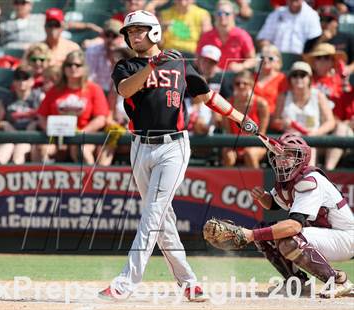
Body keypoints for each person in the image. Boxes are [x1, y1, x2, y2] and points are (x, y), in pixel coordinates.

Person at [98, 10, 259, 301]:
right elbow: (125, 90)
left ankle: (126, 282)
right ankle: (189, 283)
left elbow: (207, 97)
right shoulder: (126, 65)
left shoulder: (179, 62)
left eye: (140, 30)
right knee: (161, 218)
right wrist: (150, 67)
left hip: (173, 145)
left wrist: (239, 117)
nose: (134, 36)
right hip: (139, 145)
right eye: (130, 32)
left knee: (153, 212)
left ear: (155, 32)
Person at [247, 133, 353, 297]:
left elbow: (294, 225)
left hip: (346, 238)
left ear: (301, 157)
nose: (282, 159)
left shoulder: (310, 180)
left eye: (288, 155)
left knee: (289, 239)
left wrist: (250, 235)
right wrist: (263, 197)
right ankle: (297, 283)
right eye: (278, 155)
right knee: (265, 232)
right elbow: (274, 204)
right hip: (326, 236)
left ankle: (339, 280)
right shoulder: (287, 181)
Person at [33, 50, 110, 165]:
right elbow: (41, 115)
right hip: (57, 135)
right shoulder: (55, 90)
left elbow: (100, 119)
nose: (73, 68)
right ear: (64, 68)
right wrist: (52, 130)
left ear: (84, 68)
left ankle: (88, 181)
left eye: (77, 65)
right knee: (42, 149)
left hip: (84, 136)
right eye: (69, 64)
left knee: (82, 150)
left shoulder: (93, 89)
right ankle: (44, 180)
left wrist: (81, 133)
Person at [272, 61, 335, 166]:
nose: (298, 79)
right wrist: (283, 123)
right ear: (290, 79)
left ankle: (310, 177)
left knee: (309, 148)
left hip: (315, 140)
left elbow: (330, 122)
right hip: (290, 140)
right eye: (295, 75)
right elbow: (274, 122)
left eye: (302, 75)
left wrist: (315, 133)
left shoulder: (318, 96)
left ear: (309, 78)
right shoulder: (283, 96)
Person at [0, 66, 41, 164]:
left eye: (25, 78)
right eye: (18, 78)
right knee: (4, 151)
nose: (21, 82)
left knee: (20, 152)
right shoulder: (5, 99)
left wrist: (35, 123)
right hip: (9, 136)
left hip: (28, 137)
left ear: (32, 81)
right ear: (13, 82)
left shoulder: (39, 98)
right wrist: (5, 124)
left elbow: (43, 119)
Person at [222, 70, 270, 168]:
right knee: (228, 155)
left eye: (245, 83)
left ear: (252, 85)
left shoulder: (261, 104)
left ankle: (255, 183)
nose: (241, 86)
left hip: (255, 144)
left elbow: (262, 133)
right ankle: (227, 183)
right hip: (234, 143)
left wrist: (247, 146)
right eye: (237, 83)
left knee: (250, 153)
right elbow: (228, 132)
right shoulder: (227, 103)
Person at [196, 0, 256, 72]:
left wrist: (241, 66)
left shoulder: (242, 35)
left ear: (233, 15)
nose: (222, 16)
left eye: (227, 14)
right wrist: (209, 67)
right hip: (211, 77)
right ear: (215, 15)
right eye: (219, 13)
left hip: (234, 77)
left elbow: (252, 59)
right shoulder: (207, 36)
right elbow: (197, 59)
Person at [304, 6, 354, 77]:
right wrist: (320, 41)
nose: (325, 23)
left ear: (337, 22)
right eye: (322, 20)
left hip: (342, 77)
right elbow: (306, 62)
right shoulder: (311, 41)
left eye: (329, 20)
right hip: (318, 80)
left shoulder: (348, 38)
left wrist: (349, 69)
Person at [257, 0, 322, 54]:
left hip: (301, 60)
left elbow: (315, 43)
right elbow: (263, 38)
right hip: (277, 60)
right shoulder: (276, 14)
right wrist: (269, 52)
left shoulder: (312, 15)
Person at [85, 19, 127, 94]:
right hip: (97, 91)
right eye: (107, 35)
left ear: (122, 37)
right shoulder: (93, 51)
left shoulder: (128, 53)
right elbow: (89, 78)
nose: (110, 39)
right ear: (103, 36)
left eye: (114, 36)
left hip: (120, 93)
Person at [324, 87, 354, 170]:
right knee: (341, 129)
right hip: (348, 136)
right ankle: (328, 172)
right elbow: (335, 121)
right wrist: (349, 123)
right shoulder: (346, 96)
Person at [254, 44, 288, 115]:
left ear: (277, 61)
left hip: (272, 117)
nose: (265, 60)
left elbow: (281, 103)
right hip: (252, 116)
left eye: (270, 58)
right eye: (262, 57)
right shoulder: (252, 77)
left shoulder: (282, 79)